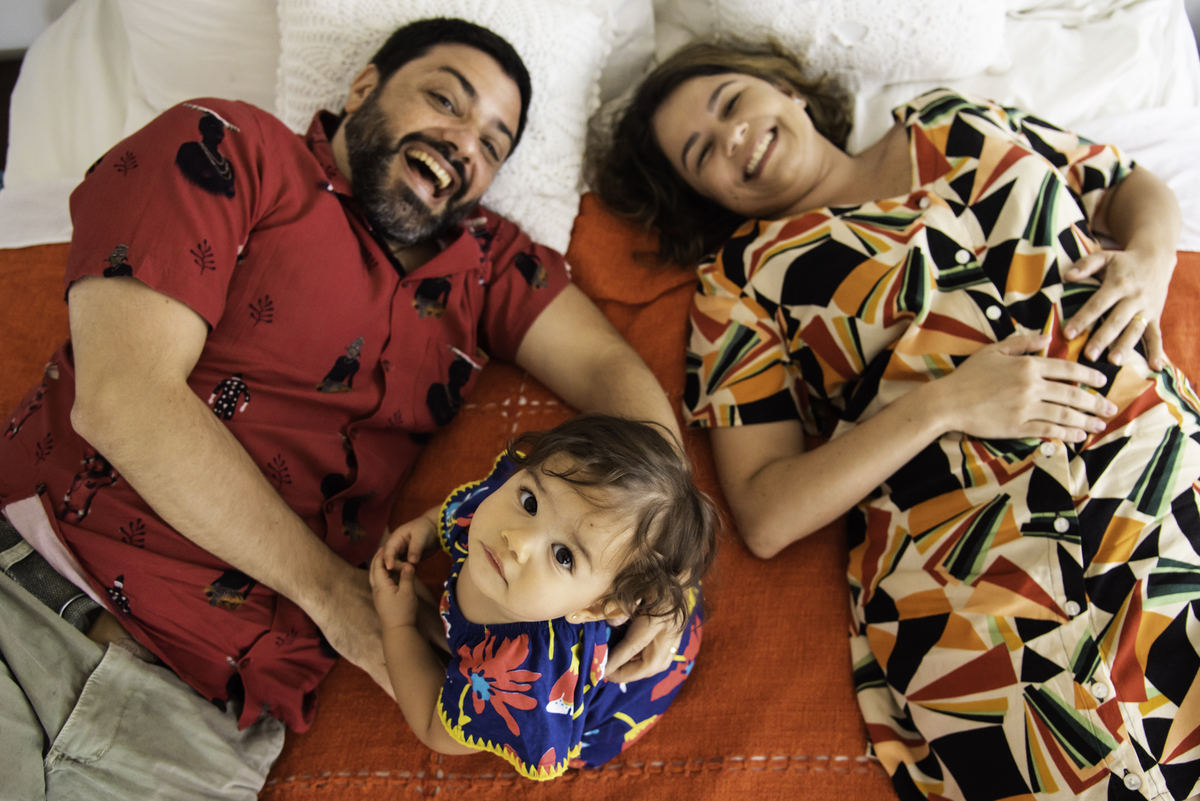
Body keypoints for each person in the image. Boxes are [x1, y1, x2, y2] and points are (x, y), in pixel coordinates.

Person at [0, 19, 682, 799]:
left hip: (194, 733)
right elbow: (124, 400)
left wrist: (665, 555)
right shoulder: (227, 146)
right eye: (446, 101)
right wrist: (334, 596)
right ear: (362, 88)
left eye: (494, 144)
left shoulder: (490, 264)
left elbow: (606, 368)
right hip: (31, 602)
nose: (465, 143)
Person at [595, 39, 1196, 801]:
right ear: (703, 195)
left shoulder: (955, 119)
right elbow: (766, 512)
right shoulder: (739, 281)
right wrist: (946, 402)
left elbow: (1124, 186)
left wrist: (1150, 259)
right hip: (966, 546)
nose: (732, 136)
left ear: (787, 89)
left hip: (1143, 454)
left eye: (730, 102)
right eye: (701, 151)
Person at [369, 413, 717, 780]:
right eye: (530, 502)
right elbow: (485, 501)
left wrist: (399, 625)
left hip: (626, 689)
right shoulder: (539, 496)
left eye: (563, 556)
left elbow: (432, 726)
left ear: (592, 607)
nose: (516, 540)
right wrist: (428, 525)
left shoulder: (528, 681)